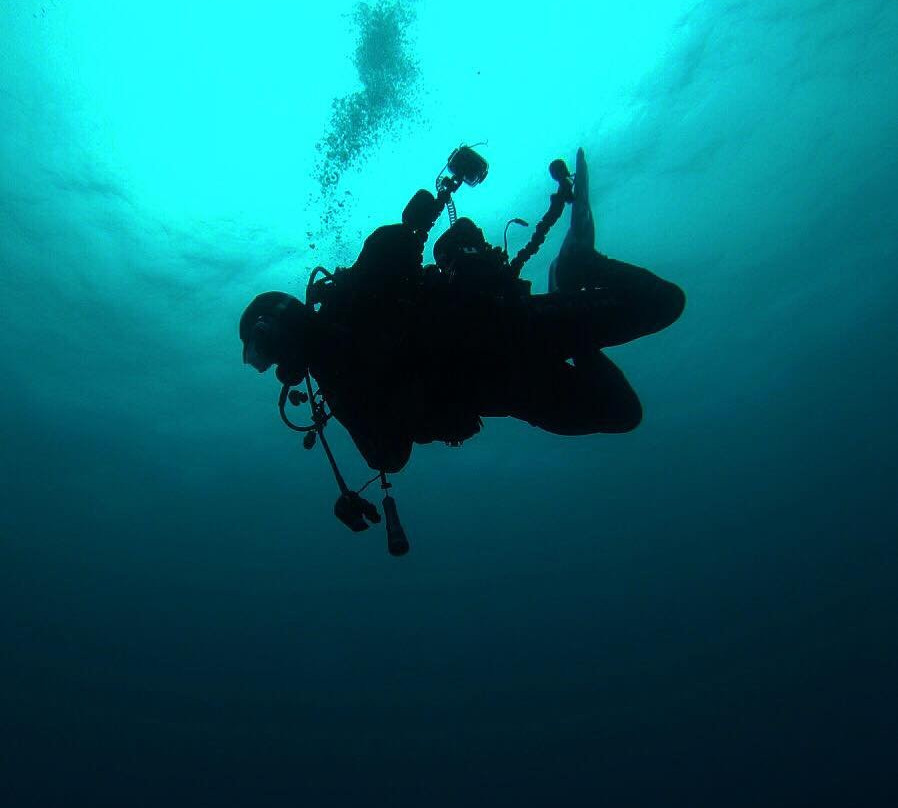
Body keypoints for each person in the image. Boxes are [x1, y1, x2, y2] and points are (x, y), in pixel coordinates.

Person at [240, 148, 685, 475]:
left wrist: (431, 205)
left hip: (516, 329)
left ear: (284, 319)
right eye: (261, 357)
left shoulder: (350, 299)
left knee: (664, 302)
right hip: (510, 392)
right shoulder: (336, 389)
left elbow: (393, 244)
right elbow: (390, 458)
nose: (272, 363)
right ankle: (570, 280)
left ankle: (581, 265)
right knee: (623, 413)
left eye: (264, 345)